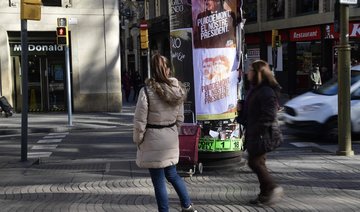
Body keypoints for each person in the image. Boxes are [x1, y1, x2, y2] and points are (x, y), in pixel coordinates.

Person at [133, 53, 197, 212]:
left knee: (158, 180)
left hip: (152, 138)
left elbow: (140, 121)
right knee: (173, 174)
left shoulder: (146, 92)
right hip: (170, 137)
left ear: (153, 71)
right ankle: (187, 206)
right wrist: (172, 131)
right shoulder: (178, 90)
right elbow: (180, 118)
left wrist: (138, 139)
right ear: (168, 69)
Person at [237, 60, 284, 206]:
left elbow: (269, 114)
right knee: (259, 162)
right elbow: (255, 108)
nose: (248, 73)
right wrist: (243, 107)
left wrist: (257, 129)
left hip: (262, 135)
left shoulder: (266, 91)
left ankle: (272, 187)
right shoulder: (256, 89)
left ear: (258, 73)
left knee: (255, 162)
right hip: (256, 132)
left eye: (250, 70)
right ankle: (264, 194)